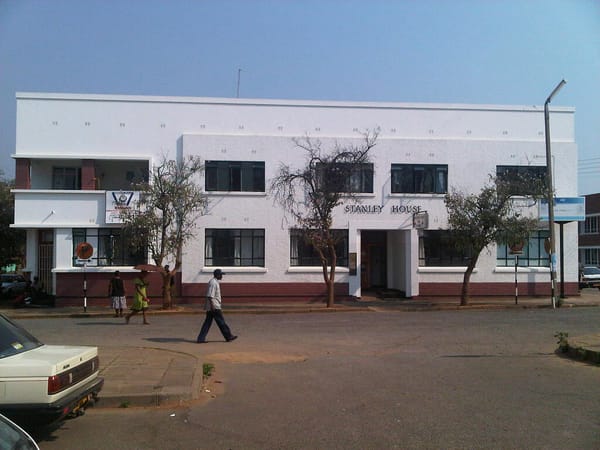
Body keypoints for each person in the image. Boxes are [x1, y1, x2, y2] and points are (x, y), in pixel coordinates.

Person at [196, 269, 237, 343]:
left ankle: (200, 339)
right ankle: (228, 336)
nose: (222, 276)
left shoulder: (215, 282)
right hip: (214, 306)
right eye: (221, 275)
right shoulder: (213, 283)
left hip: (212, 306)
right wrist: (212, 306)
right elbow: (210, 295)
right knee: (221, 322)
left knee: (207, 323)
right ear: (217, 275)